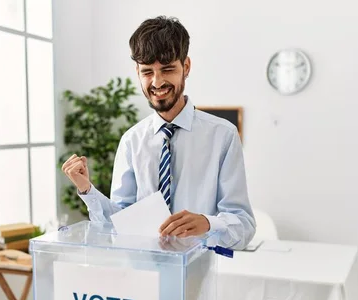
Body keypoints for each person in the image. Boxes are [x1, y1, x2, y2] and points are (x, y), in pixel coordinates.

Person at [61, 16, 255, 250]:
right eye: (147, 72)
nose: (157, 81)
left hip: (200, 272)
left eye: (167, 69)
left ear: (186, 67)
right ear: (137, 72)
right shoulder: (131, 141)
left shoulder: (223, 136)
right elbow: (118, 224)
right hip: (144, 273)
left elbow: (244, 226)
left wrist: (207, 223)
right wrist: (87, 189)